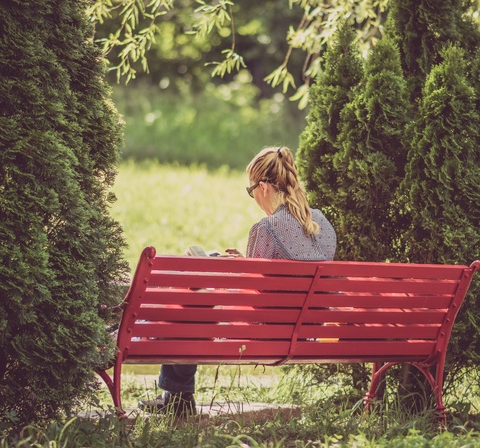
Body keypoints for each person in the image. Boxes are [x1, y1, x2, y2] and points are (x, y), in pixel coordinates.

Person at [139, 146, 337, 416]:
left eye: (251, 189)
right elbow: (284, 274)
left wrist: (219, 277)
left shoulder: (266, 228)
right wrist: (244, 262)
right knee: (196, 297)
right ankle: (176, 398)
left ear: (264, 187)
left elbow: (251, 295)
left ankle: (177, 399)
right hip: (306, 331)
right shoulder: (322, 223)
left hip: (265, 335)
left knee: (193, 302)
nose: (253, 196)